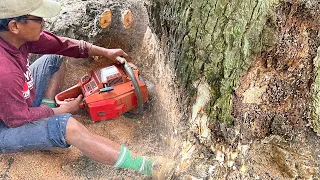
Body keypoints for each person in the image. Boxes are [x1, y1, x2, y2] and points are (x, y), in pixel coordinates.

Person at [0, 0, 173, 179]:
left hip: (18, 100)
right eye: (38, 18)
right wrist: (62, 111)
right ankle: (147, 166)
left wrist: (105, 52)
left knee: (54, 58)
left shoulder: (15, 38)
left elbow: (61, 45)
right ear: (14, 25)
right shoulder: (5, 71)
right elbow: (17, 118)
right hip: (6, 127)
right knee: (68, 127)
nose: (43, 22)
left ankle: (45, 117)